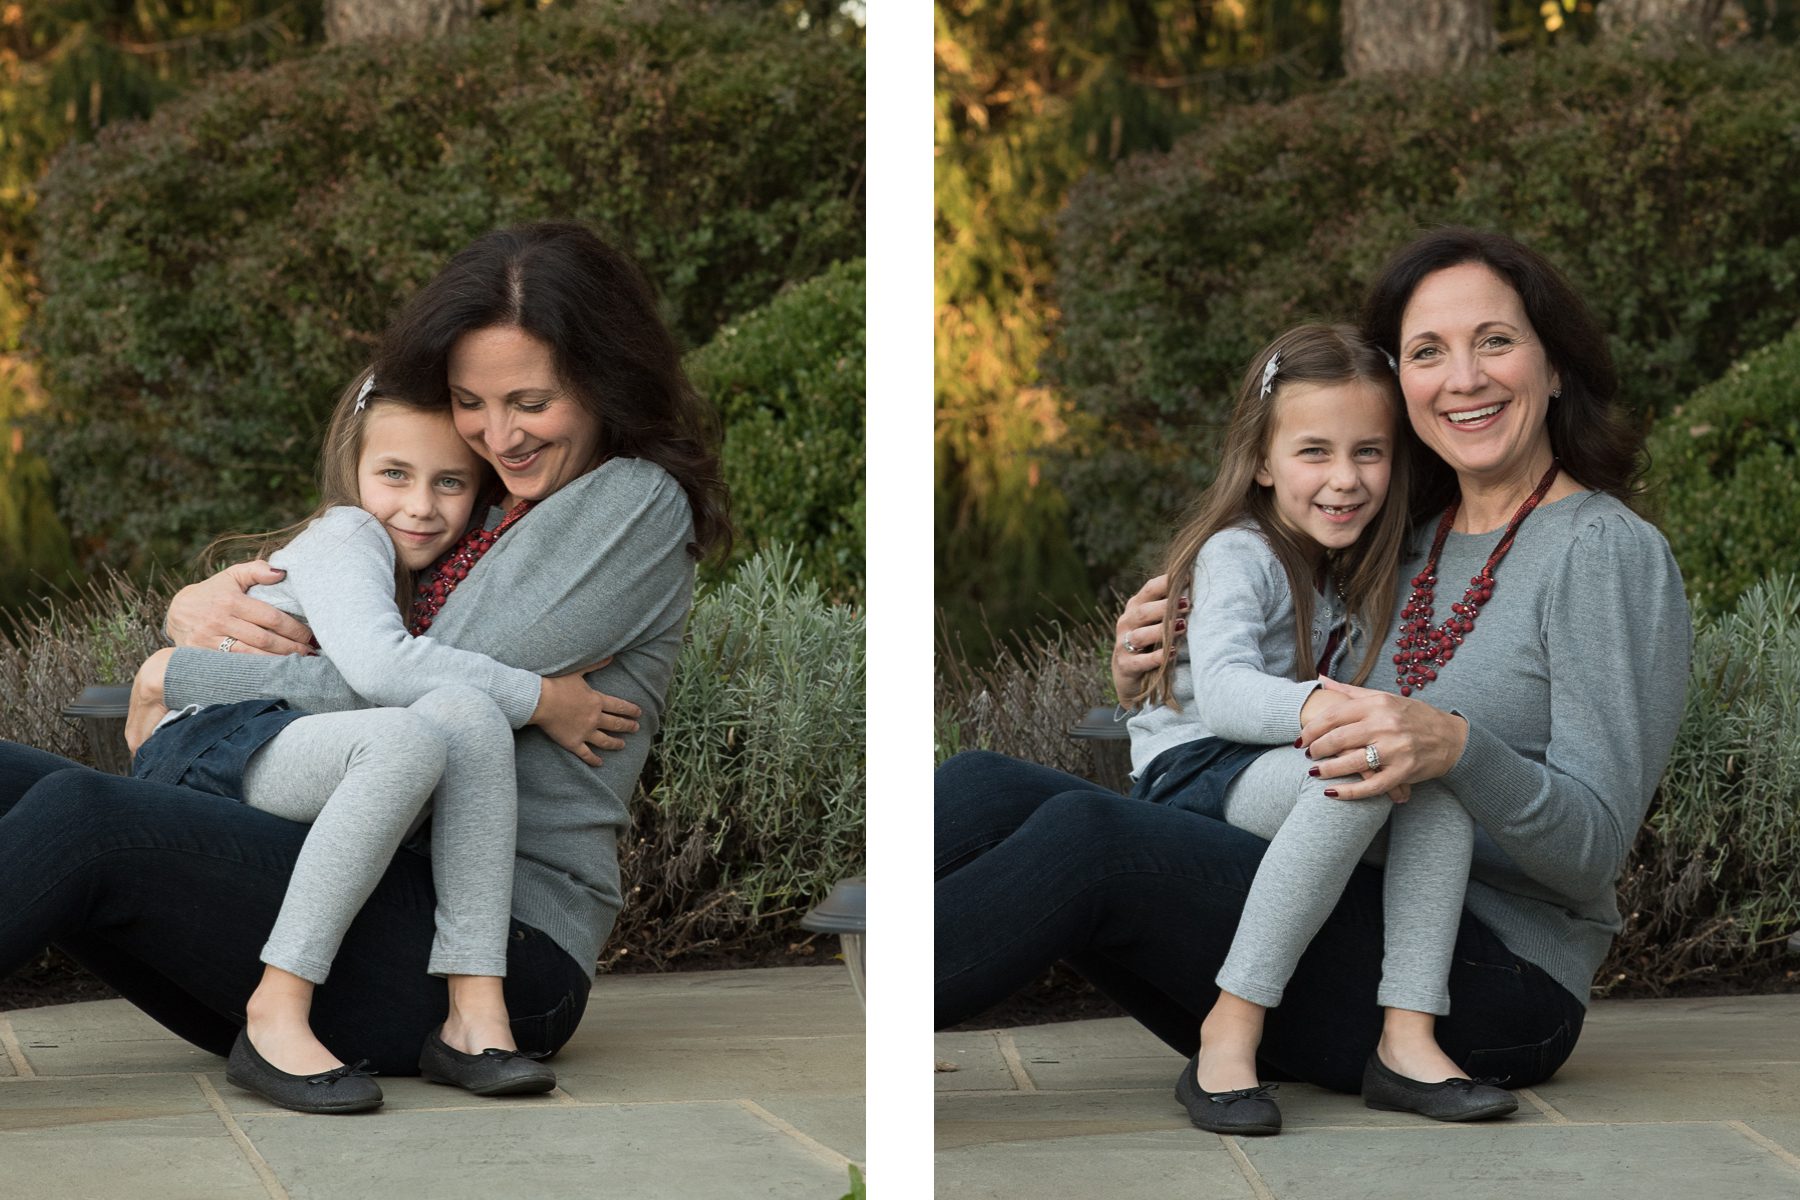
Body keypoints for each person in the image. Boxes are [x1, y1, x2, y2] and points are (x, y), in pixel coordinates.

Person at [936, 227, 1690, 1131]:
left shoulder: (1605, 553)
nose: (1464, 377)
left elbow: (1595, 851)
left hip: (1488, 979)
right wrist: (1160, 669)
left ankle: (894, 1004)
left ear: (1555, 364)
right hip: (1324, 893)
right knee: (985, 781)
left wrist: (1456, 746)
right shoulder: (1396, 538)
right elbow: (1273, 692)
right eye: (1427, 352)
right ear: (1398, 384)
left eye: (1495, 341)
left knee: (1094, 840)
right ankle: (870, 940)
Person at [0, 222, 730, 1100]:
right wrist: (191, 612)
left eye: (531, 402)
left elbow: (409, 681)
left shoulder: (627, 503)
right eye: (471, 401)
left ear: (606, 380)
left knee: (86, 818)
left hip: (495, 948)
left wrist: (176, 675)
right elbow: (337, 607)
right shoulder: (477, 493)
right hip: (329, 888)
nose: (500, 436)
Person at [124, 369, 618, 1112]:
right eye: (394, 474)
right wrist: (541, 697)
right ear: (352, 467)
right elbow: (382, 669)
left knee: (464, 712)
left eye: (450, 483)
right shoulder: (349, 534)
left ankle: (473, 1013)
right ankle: (276, 1014)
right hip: (209, 747)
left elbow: (360, 684)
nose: (419, 507)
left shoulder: (415, 569)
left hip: (281, 738)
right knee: (410, 738)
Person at [1121, 322, 1509, 1135]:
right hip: (1196, 768)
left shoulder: (1357, 568)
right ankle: (1231, 1028)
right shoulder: (1241, 552)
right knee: (1356, 774)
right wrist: (1320, 708)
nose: (1345, 479)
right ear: (1262, 461)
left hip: (1273, 766)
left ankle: (1406, 1038)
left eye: (1369, 452)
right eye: (1314, 453)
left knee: (1435, 796)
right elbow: (1224, 696)